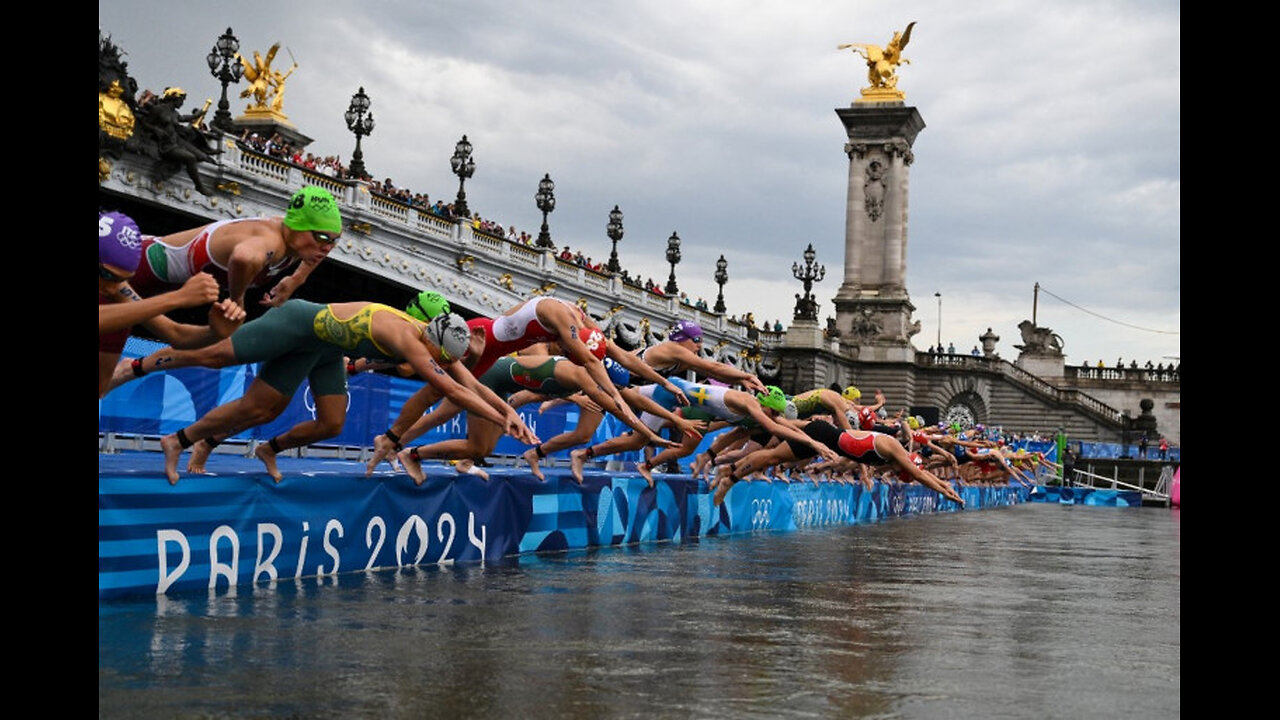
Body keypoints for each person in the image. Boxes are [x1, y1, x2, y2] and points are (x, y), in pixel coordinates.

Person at [107, 302, 538, 485]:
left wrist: (507, 412)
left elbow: (472, 383)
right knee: (219, 358)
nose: (444, 364)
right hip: (297, 323)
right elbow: (449, 388)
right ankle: (138, 366)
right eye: (443, 358)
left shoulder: (436, 339)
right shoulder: (409, 339)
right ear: (435, 343)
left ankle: (244, 447)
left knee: (329, 423)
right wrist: (503, 418)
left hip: (325, 348)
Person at [365, 296, 691, 475]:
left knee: (456, 416)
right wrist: (643, 431)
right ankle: (392, 436)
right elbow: (604, 383)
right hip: (479, 342)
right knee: (432, 385)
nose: (569, 353)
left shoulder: (584, 325)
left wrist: (663, 382)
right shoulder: (569, 337)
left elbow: (620, 359)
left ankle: (396, 442)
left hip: (493, 357)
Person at [396, 354, 689, 485]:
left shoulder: (587, 374)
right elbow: (618, 408)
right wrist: (649, 435)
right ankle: (408, 452)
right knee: (468, 437)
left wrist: (674, 418)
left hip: (506, 387)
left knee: (459, 430)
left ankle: (400, 447)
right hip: (490, 381)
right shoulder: (579, 377)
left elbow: (630, 400)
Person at [98, 211, 245, 398]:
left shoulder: (115, 288)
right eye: (108, 276)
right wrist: (178, 298)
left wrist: (215, 332)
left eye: (122, 280)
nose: (110, 289)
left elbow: (176, 334)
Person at [129, 185, 342, 313]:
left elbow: (320, 244)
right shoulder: (271, 242)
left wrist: (296, 279)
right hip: (135, 266)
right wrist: (237, 299)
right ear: (297, 226)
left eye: (335, 240)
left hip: (156, 284)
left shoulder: (303, 244)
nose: (327, 248)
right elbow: (243, 257)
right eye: (322, 238)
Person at [713, 418, 964, 507]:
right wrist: (946, 492)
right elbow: (920, 475)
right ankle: (729, 476)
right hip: (823, 435)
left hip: (827, 435)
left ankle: (729, 471)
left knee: (773, 452)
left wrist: (945, 487)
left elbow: (922, 474)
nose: (898, 474)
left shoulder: (900, 457)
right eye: (901, 473)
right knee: (772, 454)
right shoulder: (895, 450)